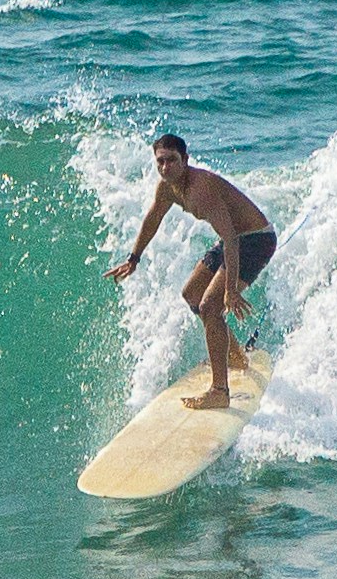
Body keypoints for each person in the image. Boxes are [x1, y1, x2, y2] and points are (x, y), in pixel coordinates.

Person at [106, 132, 277, 410]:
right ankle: (234, 356)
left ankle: (220, 391)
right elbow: (153, 218)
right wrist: (133, 258)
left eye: (172, 161)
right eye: (160, 161)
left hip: (255, 239)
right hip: (233, 239)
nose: (165, 168)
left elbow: (232, 239)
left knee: (210, 306)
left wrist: (231, 290)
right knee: (192, 294)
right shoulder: (166, 188)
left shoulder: (202, 189)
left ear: (185, 160)